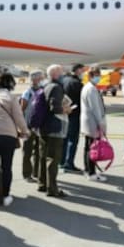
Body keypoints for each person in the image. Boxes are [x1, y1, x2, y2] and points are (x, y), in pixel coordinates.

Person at [0, 73, 30, 209]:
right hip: (8, 136)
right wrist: (25, 131)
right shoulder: (11, 98)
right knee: (6, 167)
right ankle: (6, 196)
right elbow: (18, 117)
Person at [38, 64, 70, 198]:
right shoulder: (56, 87)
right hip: (54, 127)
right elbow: (55, 108)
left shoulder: (45, 86)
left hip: (44, 126)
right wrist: (66, 110)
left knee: (43, 156)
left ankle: (42, 183)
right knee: (53, 158)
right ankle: (52, 188)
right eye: (61, 72)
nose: (63, 75)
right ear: (56, 74)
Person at [80, 67, 108, 182]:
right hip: (92, 122)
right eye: (97, 75)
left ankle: (88, 170)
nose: (99, 77)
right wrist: (100, 123)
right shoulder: (91, 89)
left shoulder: (88, 87)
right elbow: (95, 108)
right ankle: (91, 172)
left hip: (88, 122)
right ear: (91, 76)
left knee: (88, 147)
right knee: (93, 148)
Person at [20, 70, 44, 182]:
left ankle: (36, 172)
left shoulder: (42, 90)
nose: (41, 80)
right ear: (34, 79)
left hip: (38, 125)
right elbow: (22, 108)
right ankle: (26, 174)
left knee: (39, 151)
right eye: (40, 78)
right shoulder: (27, 92)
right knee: (27, 150)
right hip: (28, 125)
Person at [60, 63, 84, 172]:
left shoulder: (64, 80)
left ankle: (61, 160)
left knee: (64, 138)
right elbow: (82, 100)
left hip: (64, 112)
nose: (83, 73)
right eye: (82, 70)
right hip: (74, 113)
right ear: (78, 71)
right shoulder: (77, 83)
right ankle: (69, 162)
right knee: (73, 139)